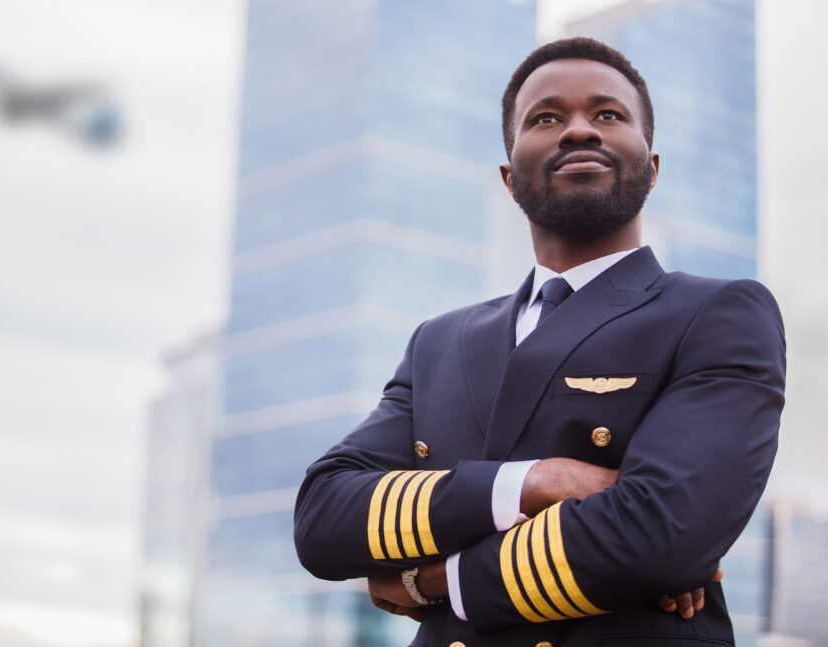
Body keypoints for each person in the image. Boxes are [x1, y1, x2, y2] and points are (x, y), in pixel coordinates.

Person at [293, 37, 785, 647]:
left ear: (652, 167)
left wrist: (431, 579)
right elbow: (322, 516)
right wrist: (530, 482)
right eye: (546, 118)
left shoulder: (717, 313)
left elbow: (663, 537)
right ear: (508, 176)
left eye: (608, 114)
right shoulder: (438, 342)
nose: (579, 131)